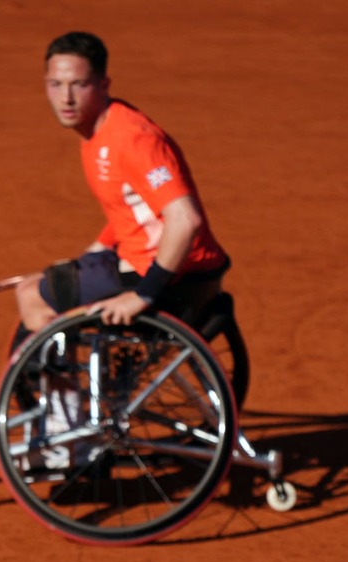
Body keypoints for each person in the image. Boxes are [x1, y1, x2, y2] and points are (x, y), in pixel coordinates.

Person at [14, 31, 231, 336]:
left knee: (32, 296)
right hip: (138, 256)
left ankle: (61, 384)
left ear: (103, 85)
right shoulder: (97, 131)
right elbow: (129, 207)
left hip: (168, 273)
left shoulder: (134, 139)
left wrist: (143, 295)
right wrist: (92, 253)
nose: (66, 98)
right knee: (37, 282)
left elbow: (184, 219)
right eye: (56, 85)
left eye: (79, 84)